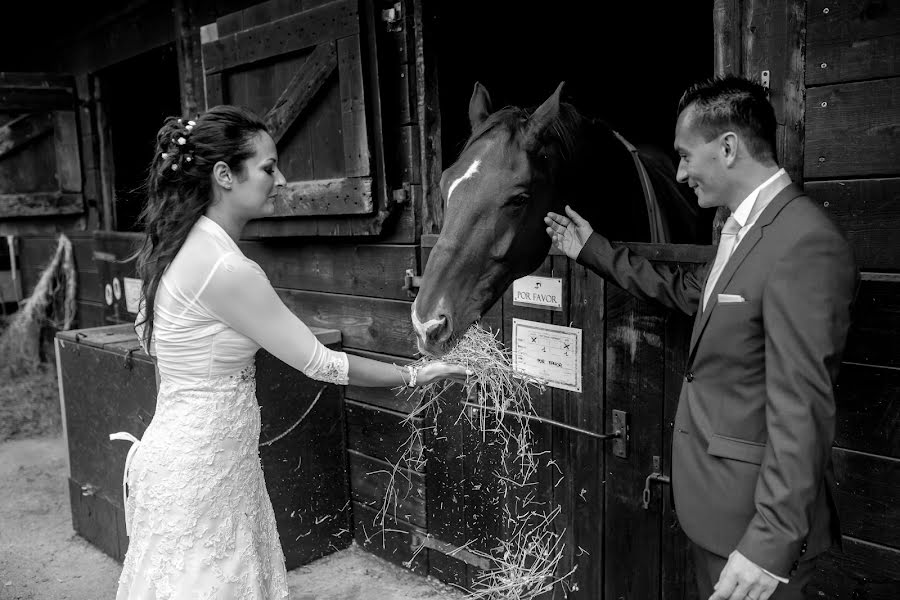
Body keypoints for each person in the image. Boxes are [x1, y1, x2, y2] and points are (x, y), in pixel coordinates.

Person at [110, 105, 467, 598]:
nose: (281, 179)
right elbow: (323, 363)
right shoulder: (227, 271)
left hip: (188, 459)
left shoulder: (176, 247)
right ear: (223, 176)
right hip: (205, 474)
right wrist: (413, 376)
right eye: (268, 166)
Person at [545, 76, 857, 600]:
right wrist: (592, 250)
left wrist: (770, 543)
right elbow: (689, 292)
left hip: (755, 534)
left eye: (686, 156)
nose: (682, 172)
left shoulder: (804, 243)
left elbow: (802, 408)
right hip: (719, 514)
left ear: (729, 147)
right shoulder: (743, 228)